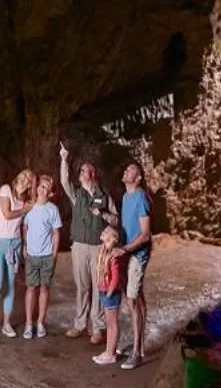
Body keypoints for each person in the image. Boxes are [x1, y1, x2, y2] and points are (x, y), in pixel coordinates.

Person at [59, 140, 117, 343]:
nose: (83, 174)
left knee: (98, 286)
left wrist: (103, 214)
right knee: (82, 286)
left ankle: (98, 328)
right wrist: (64, 160)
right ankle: (80, 324)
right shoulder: (77, 195)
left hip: (99, 247)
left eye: (86, 170)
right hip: (80, 246)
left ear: (93, 174)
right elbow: (64, 183)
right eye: (81, 171)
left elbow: (116, 220)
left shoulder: (104, 195)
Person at [0, 169, 34, 339]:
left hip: (14, 244)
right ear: (17, 176)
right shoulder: (6, 190)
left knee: (11, 286)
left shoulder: (27, 200)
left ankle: (6, 324)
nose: (26, 177)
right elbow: (7, 214)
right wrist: (25, 209)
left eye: (30, 177)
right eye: (24, 174)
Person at [114, 160, 152, 368]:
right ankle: (140, 345)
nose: (126, 171)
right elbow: (126, 225)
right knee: (138, 297)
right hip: (128, 252)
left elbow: (145, 234)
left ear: (138, 178)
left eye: (131, 170)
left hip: (137, 253)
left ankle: (136, 353)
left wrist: (125, 249)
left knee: (131, 299)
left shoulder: (140, 197)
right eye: (126, 168)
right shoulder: (125, 197)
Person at [21, 173, 63, 339]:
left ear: (50, 193)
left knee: (44, 288)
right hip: (32, 254)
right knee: (31, 288)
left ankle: (40, 323)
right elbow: (24, 227)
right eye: (40, 185)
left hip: (46, 255)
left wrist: (54, 254)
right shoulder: (29, 206)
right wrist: (25, 245)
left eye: (45, 187)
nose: (41, 188)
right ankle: (28, 323)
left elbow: (56, 233)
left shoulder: (52, 210)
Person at [90, 224, 125, 367]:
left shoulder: (112, 256)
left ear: (112, 238)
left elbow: (115, 277)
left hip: (110, 293)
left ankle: (110, 353)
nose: (103, 233)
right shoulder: (103, 251)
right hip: (104, 291)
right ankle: (108, 350)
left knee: (112, 323)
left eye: (106, 232)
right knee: (109, 323)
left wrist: (110, 292)